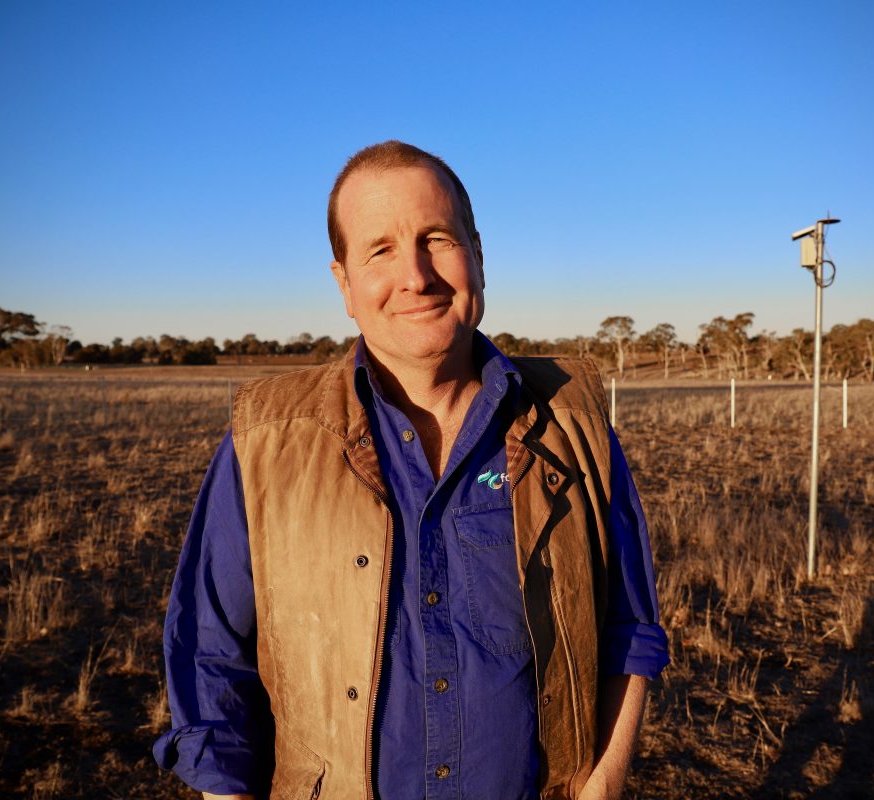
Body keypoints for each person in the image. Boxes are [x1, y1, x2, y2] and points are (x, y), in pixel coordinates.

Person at [153, 141, 669, 800]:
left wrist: (602, 786)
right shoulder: (265, 443)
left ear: (477, 255)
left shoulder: (574, 425)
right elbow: (209, 654)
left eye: (437, 239)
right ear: (344, 283)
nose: (417, 275)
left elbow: (629, 627)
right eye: (381, 251)